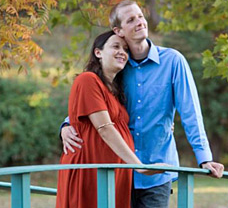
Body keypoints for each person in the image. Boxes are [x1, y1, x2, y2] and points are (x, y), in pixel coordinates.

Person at [60, 0, 224, 208]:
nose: (139, 22)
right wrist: (67, 125)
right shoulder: (117, 64)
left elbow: (191, 113)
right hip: (119, 171)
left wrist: (204, 158)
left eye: (140, 16)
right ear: (118, 30)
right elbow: (97, 100)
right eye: (130, 20)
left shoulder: (173, 61)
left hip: (156, 172)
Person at [56, 31, 163, 208]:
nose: (122, 52)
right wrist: (139, 166)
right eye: (116, 46)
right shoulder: (88, 80)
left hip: (115, 174)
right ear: (98, 52)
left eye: (125, 49)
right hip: (90, 170)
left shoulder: (116, 93)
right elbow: (104, 127)